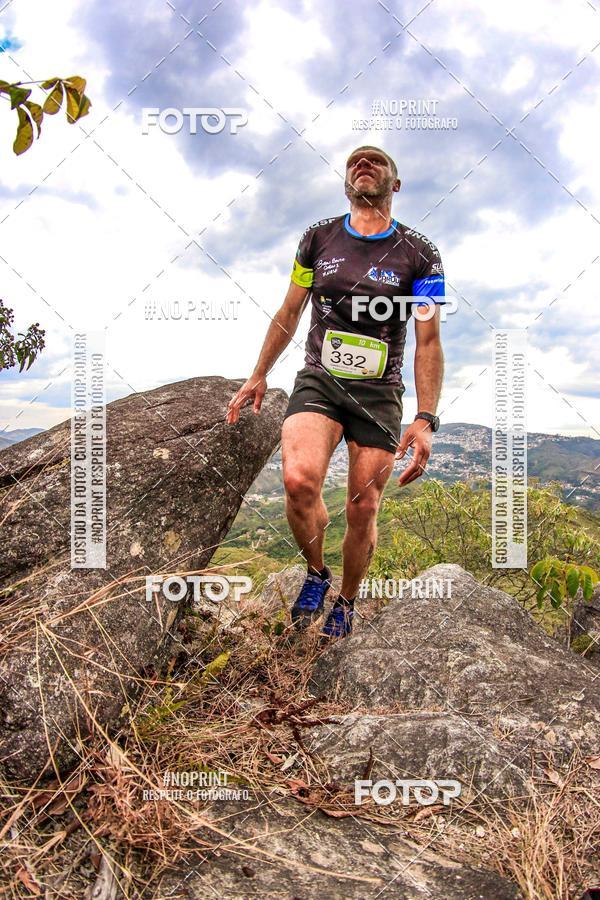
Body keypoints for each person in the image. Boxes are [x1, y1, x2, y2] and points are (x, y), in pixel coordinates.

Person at [226, 146, 445, 639]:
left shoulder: (420, 253)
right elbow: (289, 311)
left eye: (375, 161)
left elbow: (429, 341)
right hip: (320, 380)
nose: (362, 164)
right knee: (298, 481)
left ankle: (346, 601)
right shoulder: (317, 239)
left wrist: (426, 416)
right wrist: (259, 373)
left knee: (363, 507)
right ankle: (316, 572)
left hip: (380, 392)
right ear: (345, 182)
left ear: (395, 183)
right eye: (354, 162)